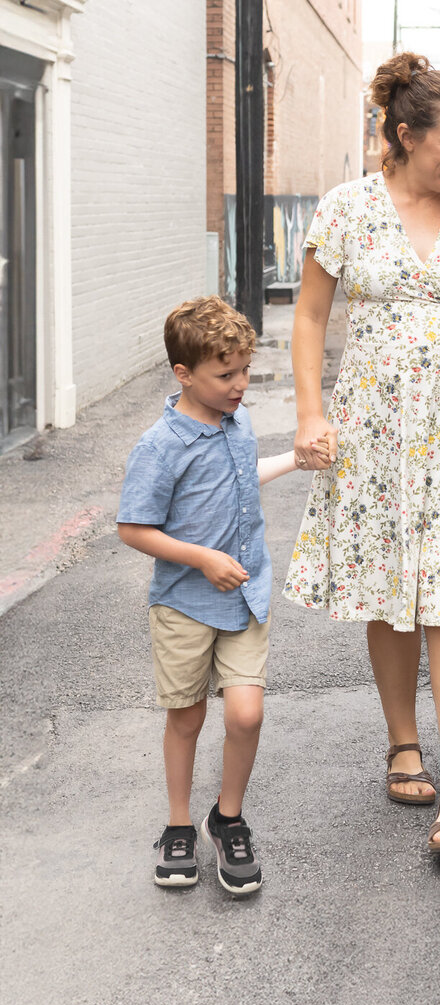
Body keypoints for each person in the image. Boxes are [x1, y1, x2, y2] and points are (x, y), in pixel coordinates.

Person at [285, 51, 440, 856]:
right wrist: (310, 412)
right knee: (392, 587)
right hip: (373, 424)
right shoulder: (346, 210)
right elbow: (311, 318)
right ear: (403, 135)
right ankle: (403, 740)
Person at [117, 296, 321, 894]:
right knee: (186, 716)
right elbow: (133, 528)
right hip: (183, 601)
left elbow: (239, 477)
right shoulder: (160, 446)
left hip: (245, 598)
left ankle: (226, 818)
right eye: (225, 374)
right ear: (184, 374)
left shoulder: (239, 423)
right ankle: (179, 824)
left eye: (244, 371)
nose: (239, 385)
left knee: (246, 712)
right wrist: (203, 558)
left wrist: (294, 459)